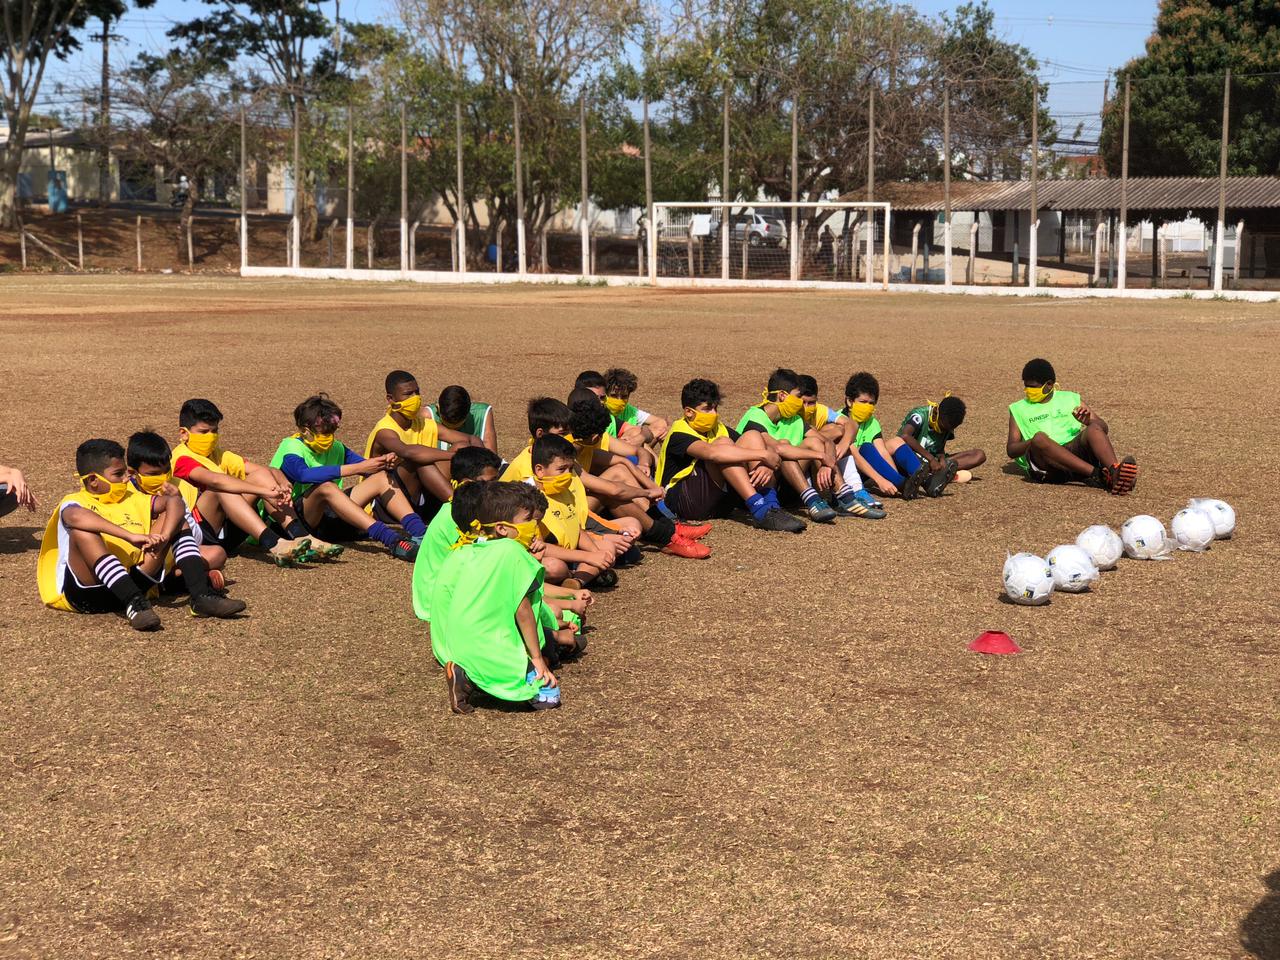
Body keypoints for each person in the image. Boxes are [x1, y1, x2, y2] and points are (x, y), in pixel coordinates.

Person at [37, 438, 244, 630]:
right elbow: (75, 517)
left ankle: (201, 596)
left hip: (136, 580)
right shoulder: (74, 501)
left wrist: (166, 535)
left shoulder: (131, 497)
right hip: (89, 594)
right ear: (93, 480)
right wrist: (129, 535)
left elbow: (174, 503)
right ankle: (134, 603)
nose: (127, 478)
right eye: (118, 475)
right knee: (82, 532)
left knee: (175, 516)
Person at [431, 482, 561, 714]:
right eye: (529, 519)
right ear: (502, 528)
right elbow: (523, 610)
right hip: (488, 647)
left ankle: (466, 672)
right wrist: (537, 659)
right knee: (548, 697)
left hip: (451, 646)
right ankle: (471, 680)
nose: (534, 526)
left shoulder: (466, 549)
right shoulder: (511, 552)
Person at [268, 393, 423, 560]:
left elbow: (366, 468)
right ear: (305, 430)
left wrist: (384, 462)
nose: (329, 436)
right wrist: (358, 467)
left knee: (381, 478)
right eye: (324, 431)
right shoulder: (291, 446)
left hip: (326, 519)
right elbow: (303, 474)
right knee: (326, 487)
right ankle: (393, 540)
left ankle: (420, 533)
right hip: (291, 523)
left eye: (332, 430)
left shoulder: (336, 447)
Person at [171, 398, 323, 566]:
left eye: (215, 431)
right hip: (200, 536)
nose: (211, 437)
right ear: (184, 433)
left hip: (228, 530)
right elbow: (215, 480)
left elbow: (261, 470)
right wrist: (262, 491)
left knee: (261, 475)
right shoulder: (181, 458)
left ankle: (302, 536)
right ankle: (275, 543)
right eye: (204, 432)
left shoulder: (218, 454)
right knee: (219, 488)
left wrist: (282, 483)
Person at [657, 378, 803, 532]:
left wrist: (767, 463)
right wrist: (763, 455)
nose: (713, 414)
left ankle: (771, 506)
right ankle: (759, 507)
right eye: (707, 409)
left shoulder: (718, 427)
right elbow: (713, 453)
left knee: (752, 436)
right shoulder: (678, 432)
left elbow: (754, 444)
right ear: (688, 412)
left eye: (715, 408)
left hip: (721, 504)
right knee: (723, 446)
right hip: (684, 503)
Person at [1007, 358, 1138, 493]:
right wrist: (1032, 443)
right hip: (1048, 466)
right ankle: (1098, 475)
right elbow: (1011, 450)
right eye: (1026, 386)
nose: (1028, 391)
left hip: (1076, 456)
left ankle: (1114, 471)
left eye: (1033, 387)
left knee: (1093, 428)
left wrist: (1088, 421)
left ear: (1049, 385)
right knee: (1040, 438)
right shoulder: (1018, 409)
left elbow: (1103, 427)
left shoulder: (1070, 399)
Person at [366, 370, 479, 520]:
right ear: (391, 399)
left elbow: (471, 440)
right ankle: (461, 508)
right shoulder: (385, 430)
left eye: (417, 392)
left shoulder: (424, 424)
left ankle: (479, 497)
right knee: (419, 460)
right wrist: (454, 455)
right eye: (408, 394)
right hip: (387, 503)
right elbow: (409, 452)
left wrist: (482, 459)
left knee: (462, 446)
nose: (415, 398)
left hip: (422, 497)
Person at [735, 368, 840, 524]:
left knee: (813, 442)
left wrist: (827, 463)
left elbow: (828, 442)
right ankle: (812, 500)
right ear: (782, 395)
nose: (801, 402)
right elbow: (779, 449)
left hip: (786, 484)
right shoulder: (755, 417)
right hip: (755, 487)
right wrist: (822, 456)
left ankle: (844, 496)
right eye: (798, 397)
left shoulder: (794, 419)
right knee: (785, 447)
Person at [411, 447, 503, 624]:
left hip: (448, 594)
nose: (495, 488)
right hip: (437, 603)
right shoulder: (456, 514)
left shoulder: (469, 506)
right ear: (467, 483)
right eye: (490, 482)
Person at [527, 433, 618, 583]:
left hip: (572, 553)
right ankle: (577, 576)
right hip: (546, 557)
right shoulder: (527, 498)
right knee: (554, 567)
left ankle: (576, 582)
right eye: (561, 469)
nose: (568, 475)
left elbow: (577, 530)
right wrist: (588, 557)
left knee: (607, 547)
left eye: (570, 469)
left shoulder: (564, 488)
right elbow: (539, 548)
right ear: (539, 470)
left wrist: (597, 554)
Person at [797, 374, 884, 519]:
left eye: (811, 403)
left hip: (813, 464)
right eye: (803, 402)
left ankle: (855, 490)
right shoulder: (787, 416)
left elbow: (851, 424)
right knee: (815, 442)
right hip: (791, 473)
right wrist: (825, 457)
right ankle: (845, 496)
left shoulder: (820, 411)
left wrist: (843, 445)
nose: (806, 407)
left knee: (837, 431)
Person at [843, 371, 930, 501]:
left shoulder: (872, 422)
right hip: (849, 472)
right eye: (863, 402)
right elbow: (855, 456)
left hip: (868, 469)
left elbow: (882, 452)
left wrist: (892, 478)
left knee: (896, 441)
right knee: (865, 447)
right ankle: (903, 483)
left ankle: (927, 481)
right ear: (850, 401)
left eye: (871, 403)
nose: (867, 407)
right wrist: (881, 481)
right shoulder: (841, 421)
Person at [891, 396, 987, 497]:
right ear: (938, 413)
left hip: (932, 463)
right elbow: (905, 436)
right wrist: (931, 459)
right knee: (912, 460)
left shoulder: (948, 424)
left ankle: (938, 474)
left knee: (979, 455)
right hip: (911, 458)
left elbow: (939, 448)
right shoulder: (920, 415)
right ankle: (935, 477)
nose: (944, 430)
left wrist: (941, 458)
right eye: (943, 427)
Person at [603, 367, 669, 447]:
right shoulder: (598, 412)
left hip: (632, 451)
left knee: (663, 430)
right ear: (604, 394)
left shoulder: (630, 411)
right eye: (614, 395)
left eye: (624, 396)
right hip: (609, 454)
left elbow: (661, 422)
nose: (619, 400)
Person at [427, 384, 497, 453]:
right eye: (447, 426)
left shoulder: (482, 413)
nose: (453, 431)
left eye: (458, 427)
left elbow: (492, 458)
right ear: (437, 408)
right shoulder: (427, 416)